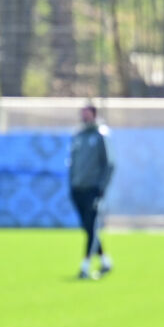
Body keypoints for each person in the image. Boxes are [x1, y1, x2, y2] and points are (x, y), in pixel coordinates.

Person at [68, 103, 114, 280]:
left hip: (93, 189)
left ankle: (85, 266)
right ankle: (105, 261)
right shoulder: (78, 136)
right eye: (82, 113)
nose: (83, 116)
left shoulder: (101, 135)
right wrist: (71, 185)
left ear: (94, 114)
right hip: (77, 188)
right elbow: (72, 164)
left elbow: (110, 164)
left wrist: (101, 188)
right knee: (87, 227)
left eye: (87, 113)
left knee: (92, 225)